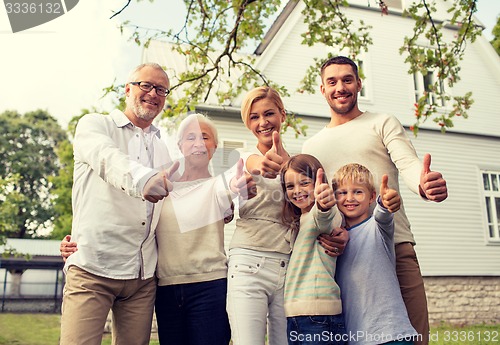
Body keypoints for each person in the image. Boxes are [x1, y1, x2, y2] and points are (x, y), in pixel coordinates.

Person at [302, 56, 448, 345]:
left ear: (358, 84)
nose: (340, 87)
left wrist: (423, 183)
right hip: (345, 258)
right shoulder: (312, 146)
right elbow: (312, 205)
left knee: (416, 337)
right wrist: (321, 236)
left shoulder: (381, 123)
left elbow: (408, 164)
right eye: (332, 81)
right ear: (322, 89)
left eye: (347, 79)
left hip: (396, 247)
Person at [60, 62, 178, 345]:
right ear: (127, 90)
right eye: (145, 85)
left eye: (161, 89)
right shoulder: (94, 125)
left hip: (142, 277)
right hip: (92, 268)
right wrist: (143, 180)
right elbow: (107, 159)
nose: (153, 93)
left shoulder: (163, 147)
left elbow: (178, 203)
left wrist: (225, 206)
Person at [154, 113, 237, 345]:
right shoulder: (161, 187)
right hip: (167, 288)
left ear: (215, 146)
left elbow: (230, 190)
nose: (198, 143)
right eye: (190, 137)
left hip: (210, 287)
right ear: (180, 145)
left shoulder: (219, 185)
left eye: (205, 137)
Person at [226, 86, 293, 345]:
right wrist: (260, 166)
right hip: (248, 263)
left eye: (269, 114)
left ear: (282, 114)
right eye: (254, 117)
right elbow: (253, 163)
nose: (263, 122)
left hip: (290, 266)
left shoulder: (300, 164)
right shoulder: (244, 159)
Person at [333, 163, 418, 344]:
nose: (350, 198)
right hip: (357, 336)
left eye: (358, 192)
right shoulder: (337, 236)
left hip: (392, 332)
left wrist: (386, 201)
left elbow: (383, 214)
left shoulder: (378, 227)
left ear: (371, 196)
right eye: (342, 192)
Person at [280, 154, 346, 345]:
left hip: (318, 315)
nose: (297, 191)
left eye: (304, 183)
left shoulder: (320, 217)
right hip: (297, 315)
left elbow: (324, 216)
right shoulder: (299, 222)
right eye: (290, 186)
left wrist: (324, 203)